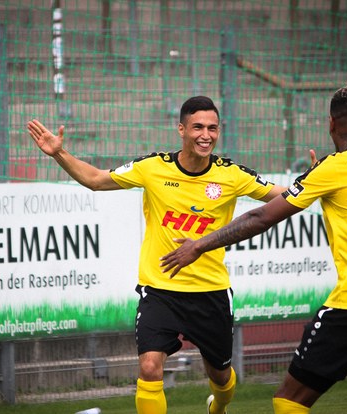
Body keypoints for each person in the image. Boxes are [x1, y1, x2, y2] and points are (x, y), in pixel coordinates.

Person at [160, 86, 347, 414]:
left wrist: (199, 245)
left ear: (331, 124)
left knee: (288, 401)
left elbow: (261, 217)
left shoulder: (333, 167)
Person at [27, 96, 293, 414]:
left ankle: (219, 407)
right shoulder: (153, 168)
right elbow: (96, 180)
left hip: (210, 293)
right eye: (197, 127)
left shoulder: (232, 175)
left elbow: (284, 196)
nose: (205, 135)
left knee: (220, 376)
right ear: (181, 129)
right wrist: (59, 153)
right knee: (150, 367)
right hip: (159, 291)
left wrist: (316, 181)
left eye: (212, 128)